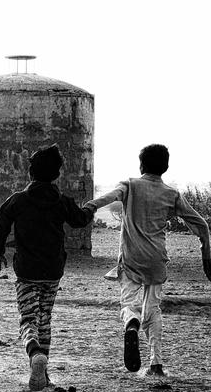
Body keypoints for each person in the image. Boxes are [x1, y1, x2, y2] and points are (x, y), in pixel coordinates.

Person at [84, 144, 211, 376]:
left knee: (129, 304)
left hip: (131, 259)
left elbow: (108, 197)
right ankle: (156, 364)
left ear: (141, 164)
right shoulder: (172, 194)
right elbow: (201, 225)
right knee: (153, 309)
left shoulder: (129, 185)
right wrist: (206, 257)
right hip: (156, 259)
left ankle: (131, 323)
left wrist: (89, 208)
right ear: (166, 167)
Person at [0, 145, 93, 391]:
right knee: (45, 318)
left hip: (27, 271)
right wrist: (90, 207)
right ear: (57, 174)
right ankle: (43, 374)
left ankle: (35, 354)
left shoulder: (18, 200)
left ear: (29, 172)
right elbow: (80, 220)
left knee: (28, 318)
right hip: (54, 270)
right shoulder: (62, 202)